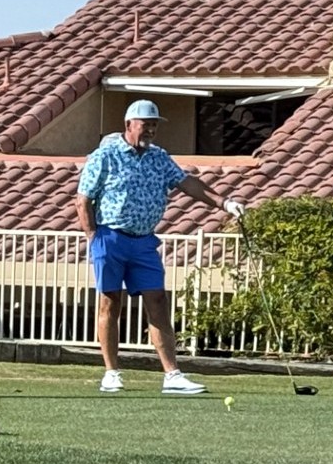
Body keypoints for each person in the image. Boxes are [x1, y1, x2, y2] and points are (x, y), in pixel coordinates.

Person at [74, 99, 245, 394]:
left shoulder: (159, 157)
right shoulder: (105, 155)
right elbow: (83, 200)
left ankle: (172, 375)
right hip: (110, 237)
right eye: (146, 124)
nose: (151, 130)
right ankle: (111, 373)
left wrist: (224, 203)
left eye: (154, 125)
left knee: (158, 301)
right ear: (129, 125)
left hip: (144, 241)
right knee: (110, 302)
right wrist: (93, 237)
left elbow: (188, 184)